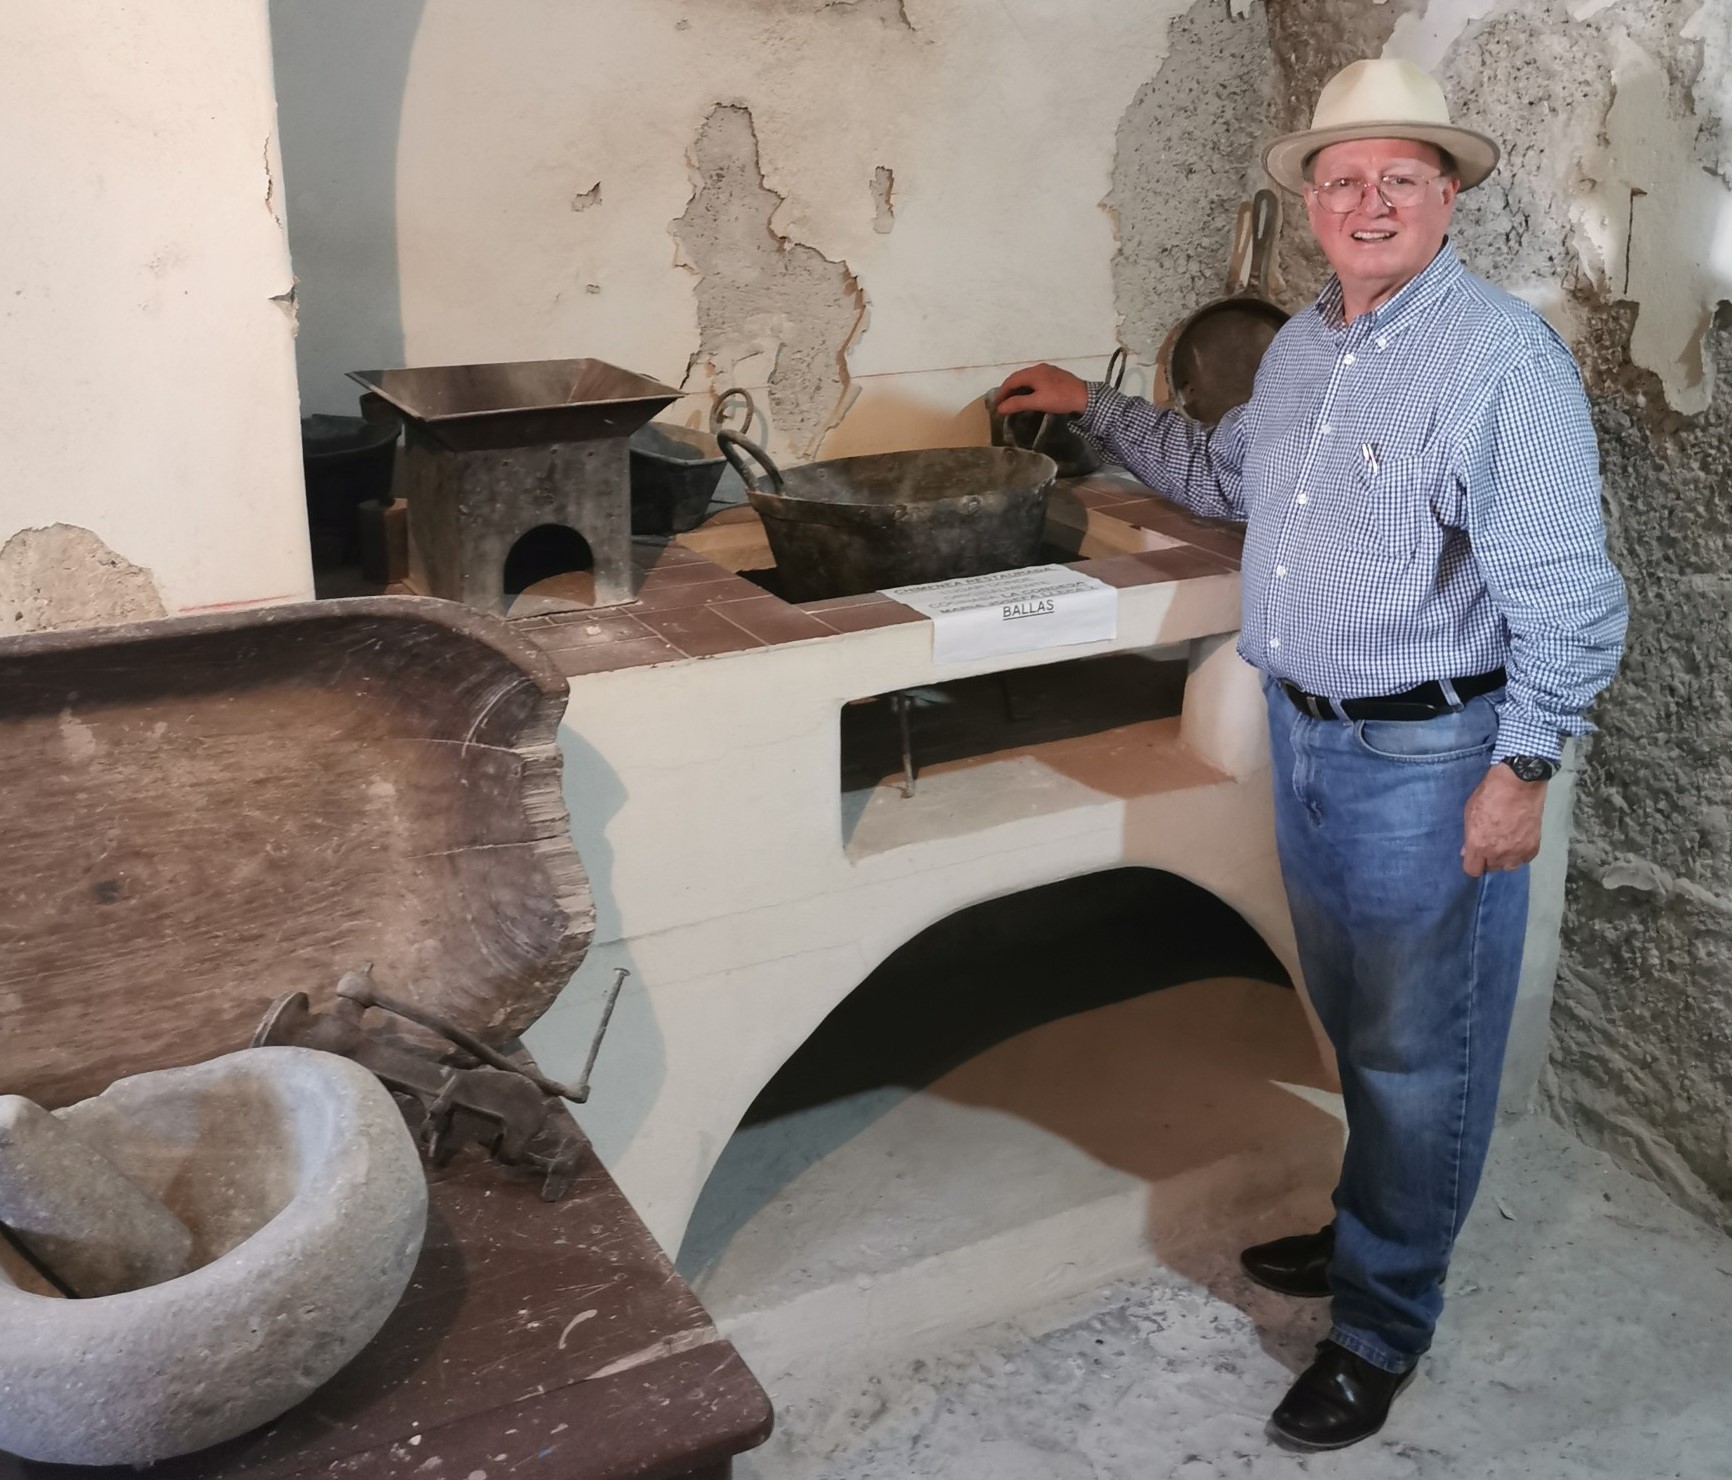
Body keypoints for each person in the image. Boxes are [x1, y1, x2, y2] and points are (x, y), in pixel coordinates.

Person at [996, 58, 1627, 1451]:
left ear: (1448, 198)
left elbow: (1571, 596)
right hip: (1312, 743)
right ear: (1311, 204)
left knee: (1420, 1055)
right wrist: (1093, 406)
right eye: (1345, 179)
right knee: (1356, 1024)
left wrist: (1522, 769)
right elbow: (1229, 478)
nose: (1370, 201)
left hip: (1434, 756)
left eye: (1402, 176)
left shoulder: (1501, 360)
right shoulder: (1299, 348)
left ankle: (1382, 1323)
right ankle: (1366, 1231)